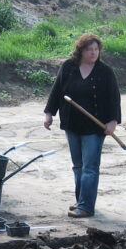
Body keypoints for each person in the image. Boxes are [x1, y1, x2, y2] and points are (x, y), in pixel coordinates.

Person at [43, 33, 121, 218]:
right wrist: (49, 114)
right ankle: (81, 201)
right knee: (78, 166)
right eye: (89, 50)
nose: (93, 53)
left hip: (94, 127)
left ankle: (86, 207)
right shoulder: (69, 67)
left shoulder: (105, 71)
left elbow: (114, 98)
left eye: (96, 49)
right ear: (81, 51)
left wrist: (112, 121)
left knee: (90, 167)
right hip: (72, 124)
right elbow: (57, 91)